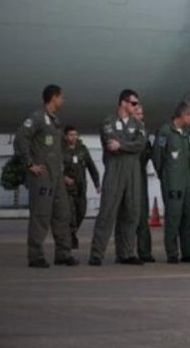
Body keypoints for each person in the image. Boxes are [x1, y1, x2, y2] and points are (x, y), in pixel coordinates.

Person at [14, 84, 77, 268]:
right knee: (40, 215)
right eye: (61, 96)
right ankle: (35, 256)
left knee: (62, 214)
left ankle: (63, 254)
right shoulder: (37, 118)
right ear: (53, 97)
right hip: (42, 176)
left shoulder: (55, 120)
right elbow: (20, 138)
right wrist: (29, 163)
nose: (63, 100)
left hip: (57, 176)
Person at [89, 89, 148, 266]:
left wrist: (122, 144)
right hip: (115, 171)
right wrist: (127, 145)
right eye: (134, 103)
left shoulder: (138, 125)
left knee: (131, 212)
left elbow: (140, 144)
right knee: (107, 212)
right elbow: (110, 142)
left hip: (133, 172)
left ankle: (126, 253)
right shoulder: (108, 121)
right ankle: (97, 254)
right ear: (123, 103)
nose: (136, 107)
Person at [151, 101, 190, 263]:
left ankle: (189, 252)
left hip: (187, 181)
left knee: (189, 217)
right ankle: (172, 253)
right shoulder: (165, 132)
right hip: (172, 181)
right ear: (184, 115)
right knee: (173, 218)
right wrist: (165, 175)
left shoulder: (186, 133)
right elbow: (157, 156)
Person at [61, 125, 99, 250]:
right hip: (67, 188)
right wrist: (63, 177)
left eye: (75, 135)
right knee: (70, 213)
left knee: (81, 211)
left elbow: (91, 167)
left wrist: (97, 184)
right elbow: (53, 168)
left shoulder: (82, 149)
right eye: (71, 135)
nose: (74, 137)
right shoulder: (60, 150)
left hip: (81, 187)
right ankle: (70, 237)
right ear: (66, 136)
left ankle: (72, 233)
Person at [129, 102, 154, 263]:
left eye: (142, 114)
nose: (141, 116)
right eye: (138, 114)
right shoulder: (126, 132)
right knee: (129, 215)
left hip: (140, 175)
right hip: (128, 175)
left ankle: (145, 251)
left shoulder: (144, 132)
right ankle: (127, 251)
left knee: (143, 215)